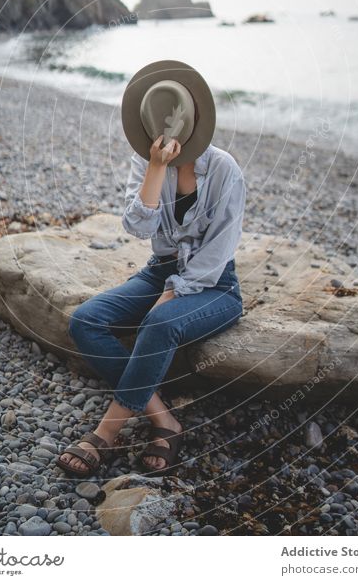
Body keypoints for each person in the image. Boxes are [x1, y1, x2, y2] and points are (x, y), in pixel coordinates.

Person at [56, 60, 246, 477]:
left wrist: (177, 289)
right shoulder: (144, 162)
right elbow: (137, 227)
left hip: (215, 285)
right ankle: (164, 419)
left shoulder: (224, 169)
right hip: (159, 269)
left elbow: (219, 251)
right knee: (86, 321)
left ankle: (105, 433)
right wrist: (158, 167)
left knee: (159, 322)